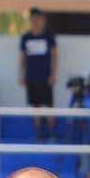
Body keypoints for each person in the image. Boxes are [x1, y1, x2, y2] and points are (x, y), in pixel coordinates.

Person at [20, 8, 58, 141]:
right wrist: (22, 74)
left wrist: (53, 74)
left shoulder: (48, 37)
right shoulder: (26, 37)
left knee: (48, 105)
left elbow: (54, 56)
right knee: (35, 105)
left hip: (46, 76)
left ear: (42, 20)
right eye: (33, 20)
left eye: (38, 20)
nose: (35, 23)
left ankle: (52, 132)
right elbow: (22, 57)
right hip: (31, 76)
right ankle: (38, 133)